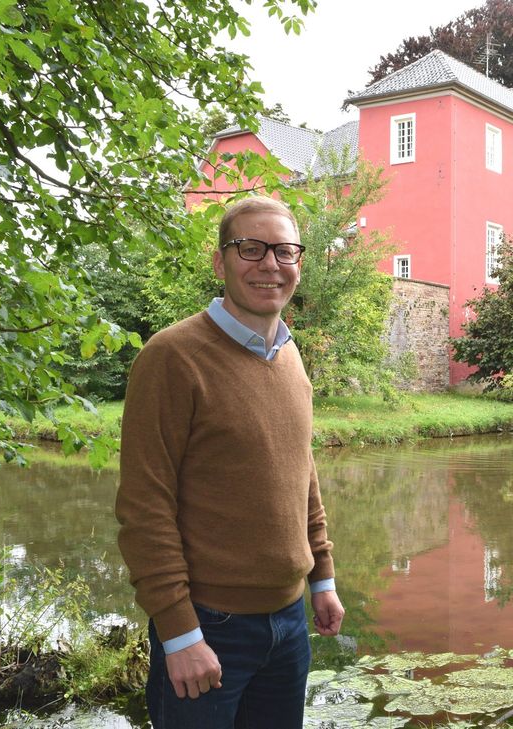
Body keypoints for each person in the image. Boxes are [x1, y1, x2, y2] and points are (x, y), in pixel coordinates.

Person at [116, 196, 345, 728]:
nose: (269, 264)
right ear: (220, 262)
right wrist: (179, 632)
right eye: (251, 248)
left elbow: (300, 469)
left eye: (284, 251)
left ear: (299, 264)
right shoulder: (171, 357)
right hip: (209, 627)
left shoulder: (290, 354)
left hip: (289, 625)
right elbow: (144, 507)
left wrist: (322, 576)